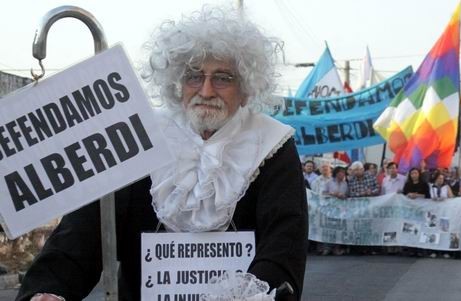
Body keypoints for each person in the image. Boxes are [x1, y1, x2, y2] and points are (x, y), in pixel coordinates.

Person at [17, 7, 307, 301]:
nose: (206, 90)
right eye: (194, 76)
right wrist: (50, 290)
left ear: (244, 88)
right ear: (177, 83)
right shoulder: (140, 133)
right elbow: (86, 229)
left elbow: (284, 241)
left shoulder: (272, 143)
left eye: (222, 78)